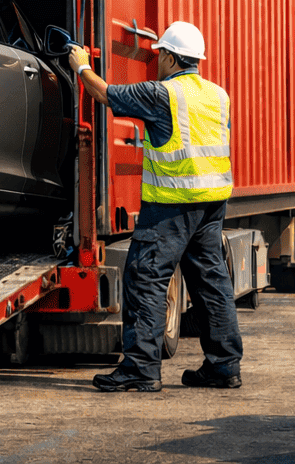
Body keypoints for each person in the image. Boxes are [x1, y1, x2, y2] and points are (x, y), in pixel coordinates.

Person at [68, 20, 244, 393]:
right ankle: (224, 366)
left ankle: (141, 368)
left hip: (172, 205)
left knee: (146, 277)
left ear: (167, 56)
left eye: (158, 55)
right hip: (212, 203)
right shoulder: (218, 95)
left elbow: (104, 94)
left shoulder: (163, 94)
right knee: (212, 283)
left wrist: (81, 64)